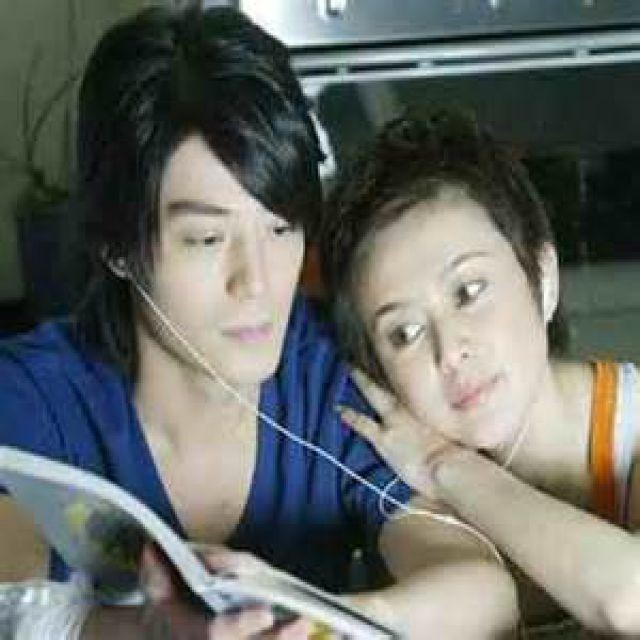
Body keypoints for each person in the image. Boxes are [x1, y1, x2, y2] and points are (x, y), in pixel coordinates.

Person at [0, 9, 519, 640]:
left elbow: (485, 594)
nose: (258, 282)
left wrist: (324, 617)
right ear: (117, 246)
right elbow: (10, 605)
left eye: (280, 228)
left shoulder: (330, 384)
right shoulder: (32, 399)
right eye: (207, 238)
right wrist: (148, 633)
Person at [318, 110, 640, 637]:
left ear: (543, 277)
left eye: (468, 292)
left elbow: (632, 600)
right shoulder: (398, 498)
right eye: (405, 332)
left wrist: (448, 467)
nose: (450, 351)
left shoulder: (634, 427)